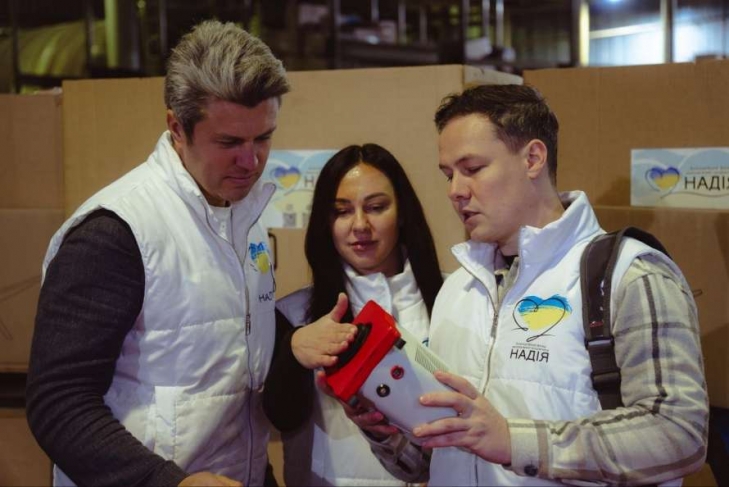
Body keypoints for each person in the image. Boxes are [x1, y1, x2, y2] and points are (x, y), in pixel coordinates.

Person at [356, 84, 709, 486]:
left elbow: (679, 433)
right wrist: (383, 429)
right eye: (448, 175)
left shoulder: (630, 275)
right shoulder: (457, 290)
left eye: (473, 169)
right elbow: (433, 460)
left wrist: (515, 442)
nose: (455, 191)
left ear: (533, 159)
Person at [25, 20, 290, 487]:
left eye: (263, 138)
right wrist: (169, 483)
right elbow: (58, 403)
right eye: (229, 142)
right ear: (176, 128)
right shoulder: (114, 233)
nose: (250, 161)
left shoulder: (244, 212)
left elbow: (229, 353)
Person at [262, 143, 444, 486]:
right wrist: (293, 352)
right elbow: (280, 418)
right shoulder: (293, 313)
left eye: (376, 207)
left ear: (402, 213)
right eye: (342, 211)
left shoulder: (452, 298)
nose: (360, 225)